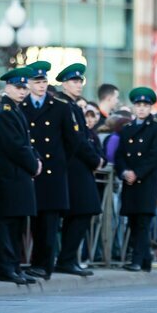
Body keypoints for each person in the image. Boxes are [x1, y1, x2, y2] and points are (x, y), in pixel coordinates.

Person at [21, 61, 79, 280]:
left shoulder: (60, 107)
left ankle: (44, 265)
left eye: (44, 81)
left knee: (49, 223)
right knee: (34, 222)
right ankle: (34, 262)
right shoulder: (22, 107)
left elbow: (72, 141)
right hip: (31, 171)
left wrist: (60, 162)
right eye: (37, 81)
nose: (42, 85)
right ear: (28, 84)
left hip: (53, 172)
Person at [53, 63, 104, 276]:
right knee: (81, 212)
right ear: (64, 84)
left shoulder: (72, 106)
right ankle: (66, 258)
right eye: (74, 82)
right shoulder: (65, 105)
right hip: (74, 166)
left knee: (81, 213)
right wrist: (96, 160)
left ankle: (68, 258)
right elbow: (78, 140)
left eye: (80, 81)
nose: (79, 85)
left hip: (78, 166)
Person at [0, 67, 41, 284]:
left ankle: (14, 266)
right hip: (10, 176)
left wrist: (36, 161)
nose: (22, 91)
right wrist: (33, 164)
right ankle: (5, 267)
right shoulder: (5, 112)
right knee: (7, 223)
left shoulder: (15, 110)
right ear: (7, 87)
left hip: (18, 176)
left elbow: (26, 143)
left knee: (17, 224)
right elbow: (16, 147)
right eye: (18, 87)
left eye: (24, 88)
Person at [115, 87, 157, 272]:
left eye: (145, 105)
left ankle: (137, 259)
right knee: (132, 220)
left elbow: (155, 155)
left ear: (150, 107)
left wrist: (137, 173)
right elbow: (119, 155)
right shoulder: (127, 129)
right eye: (138, 105)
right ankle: (145, 259)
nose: (141, 109)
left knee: (143, 222)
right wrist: (124, 172)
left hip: (146, 181)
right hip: (129, 181)